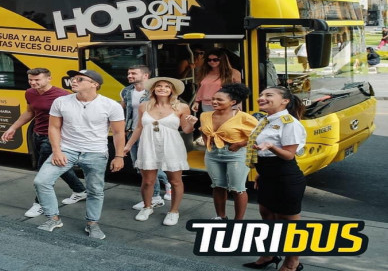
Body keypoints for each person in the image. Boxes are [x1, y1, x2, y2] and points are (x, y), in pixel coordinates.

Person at [33, 69, 125, 239]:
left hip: (96, 152)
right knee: (41, 181)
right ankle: (53, 218)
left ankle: (92, 223)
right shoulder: (61, 101)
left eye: (80, 79)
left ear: (94, 84)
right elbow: (54, 127)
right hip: (67, 149)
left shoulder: (111, 105)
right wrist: (57, 151)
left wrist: (119, 156)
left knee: (95, 190)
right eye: (73, 79)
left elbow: (119, 133)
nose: (73, 81)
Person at [1, 68, 87, 218]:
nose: (33, 83)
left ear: (49, 79)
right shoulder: (30, 93)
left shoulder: (62, 95)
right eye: (30, 80)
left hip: (54, 137)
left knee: (43, 172)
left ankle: (40, 203)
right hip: (37, 135)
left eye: (37, 80)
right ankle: (80, 190)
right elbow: (30, 112)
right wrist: (13, 128)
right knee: (59, 165)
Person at [243, 86, 306, 271]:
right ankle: (269, 255)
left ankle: (292, 262)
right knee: (267, 215)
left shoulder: (290, 123)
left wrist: (271, 147)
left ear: (285, 101)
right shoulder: (265, 120)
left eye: (268, 95)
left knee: (288, 222)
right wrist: (261, 174)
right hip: (267, 175)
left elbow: (289, 155)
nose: (261, 97)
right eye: (261, 95)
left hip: (285, 177)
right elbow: (262, 152)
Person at [124, 77, 198, 226]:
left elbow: (186, 130)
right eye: (159, 86)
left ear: (172, 90)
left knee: (175, 181)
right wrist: (128, 145)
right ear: (153, 89)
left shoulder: (181, 107)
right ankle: (147, 207)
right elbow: (139, 127)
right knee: (148, 181)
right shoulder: (144, 106)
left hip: (172, 146)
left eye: (167, 86)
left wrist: (191, 124)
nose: (162, 88)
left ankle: (174, 211)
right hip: (148, 145)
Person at [200, 83, 258, 220]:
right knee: (218, 186)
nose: (214, 102)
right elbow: (204, 132)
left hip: (236, 154)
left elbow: (259, 135)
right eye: (213, 99)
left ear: (233, 102)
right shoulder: (205, 116)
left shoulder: (244, 117)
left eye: (219, 100)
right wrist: (206, 141)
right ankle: (221, 217)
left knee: (237, 189)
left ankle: (238, 222)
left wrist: (240, 144)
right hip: (212, 154)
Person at [120, 65, 171, 209]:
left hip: (151, 133)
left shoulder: (155, 92)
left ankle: (155, 197)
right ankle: (168, 182)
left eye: (133, 73)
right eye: (129, 73)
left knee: (148, 165)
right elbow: (122, 109)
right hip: (133, 132)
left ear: (145, 76)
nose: (129, 76)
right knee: (140, 166)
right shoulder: (126, 91)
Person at [191, 49, 242, 113]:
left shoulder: (233, 73)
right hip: (207, 104)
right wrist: (196, 102)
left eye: (215, 60)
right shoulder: (204, 72)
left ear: (222, 60)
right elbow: (200, 88)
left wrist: (239, 104)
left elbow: (239, 90)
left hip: (226, 104)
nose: (212, 62)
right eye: (209, 60)